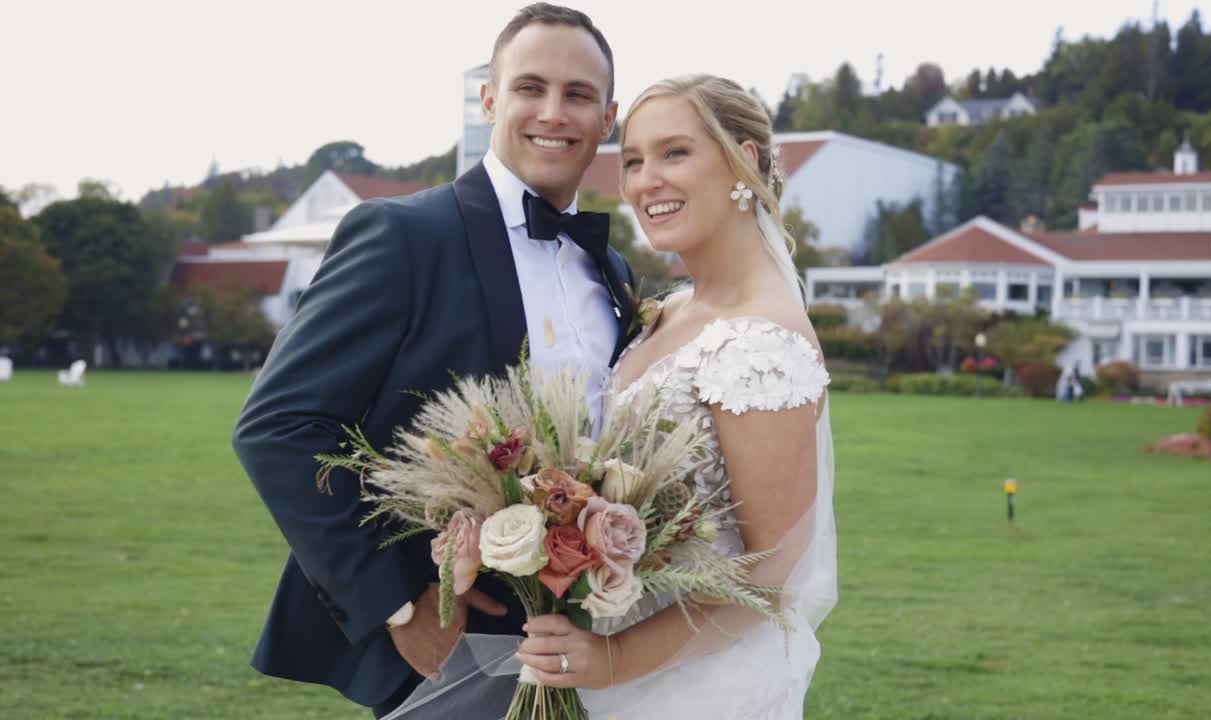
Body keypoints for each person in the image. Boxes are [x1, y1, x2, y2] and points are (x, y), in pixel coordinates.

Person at [230, 4, 633, 717]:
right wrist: (397, 605)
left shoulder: (614, 270)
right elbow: (278, 426)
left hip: (595, 639)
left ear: (608, 116)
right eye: (529, 87)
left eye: (578, 95)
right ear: (489, 100)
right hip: (451, 645)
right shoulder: (403, 235)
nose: (552, 112)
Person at [513, 75, 838, 719]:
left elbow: (771, 575)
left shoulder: (761, 341)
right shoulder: (671, 311)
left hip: (700, 686)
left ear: (744, 159)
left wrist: (615, 661)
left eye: (675, 153)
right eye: (632, 160)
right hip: (605, 657)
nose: (645, 181)